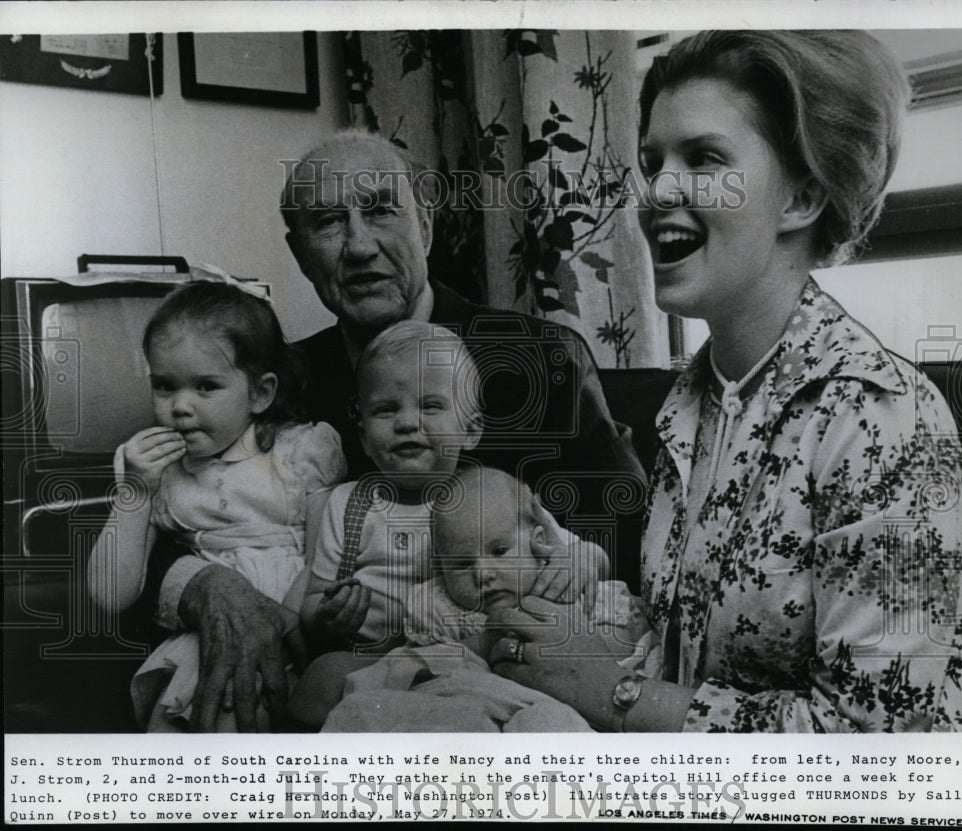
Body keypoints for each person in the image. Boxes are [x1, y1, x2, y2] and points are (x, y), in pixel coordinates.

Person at [488, 30, 962, 732]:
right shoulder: (687, 405)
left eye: (703, 159)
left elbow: (869, 749)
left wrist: (611, 690)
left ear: (802, 197)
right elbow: (697, 650)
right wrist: (567, 621)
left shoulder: (884, 417)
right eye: (652, 162)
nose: (657, 190)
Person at [151, 129, 645, 731]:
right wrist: (205, 585)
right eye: (329, 222)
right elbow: (177, 500)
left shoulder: (540, 357)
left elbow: (620, 529)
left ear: (427, 227)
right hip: (341, 688)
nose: (359, 246)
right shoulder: (280, 382)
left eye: (382, 210)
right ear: (301, 252)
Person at [288, 323, 606, 727]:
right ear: (365, 436)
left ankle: (447, 718)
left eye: (430, 406)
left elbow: (582, 550)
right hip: (376, 655)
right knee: (319, 679)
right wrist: (329, 616)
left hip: (475, 648)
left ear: (471, 430)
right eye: (386, 409)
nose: (406, 422)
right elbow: (313, 600)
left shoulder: (490, 495)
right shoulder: (347, 504)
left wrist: (575, 562)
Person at [86, 282, 345, 731]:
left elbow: (324, 557)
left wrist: (284, 627)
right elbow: (109, 595)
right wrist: (136, 494)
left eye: (206, 386)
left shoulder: (302, 451)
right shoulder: (156, 471)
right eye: (164, 386)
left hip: (297, 634)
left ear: (261, 393)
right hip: (201, 644)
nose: (180, 407)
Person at [314, 465, 653, 732]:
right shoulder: (437, 605)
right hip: (472, 705)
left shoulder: (560, 581)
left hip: (561, 701)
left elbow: (625, 645)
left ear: (538, 543)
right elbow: (423, 662)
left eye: (500, 551)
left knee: (549, 727)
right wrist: (482, 643)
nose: (482, 573)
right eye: (462, 565)